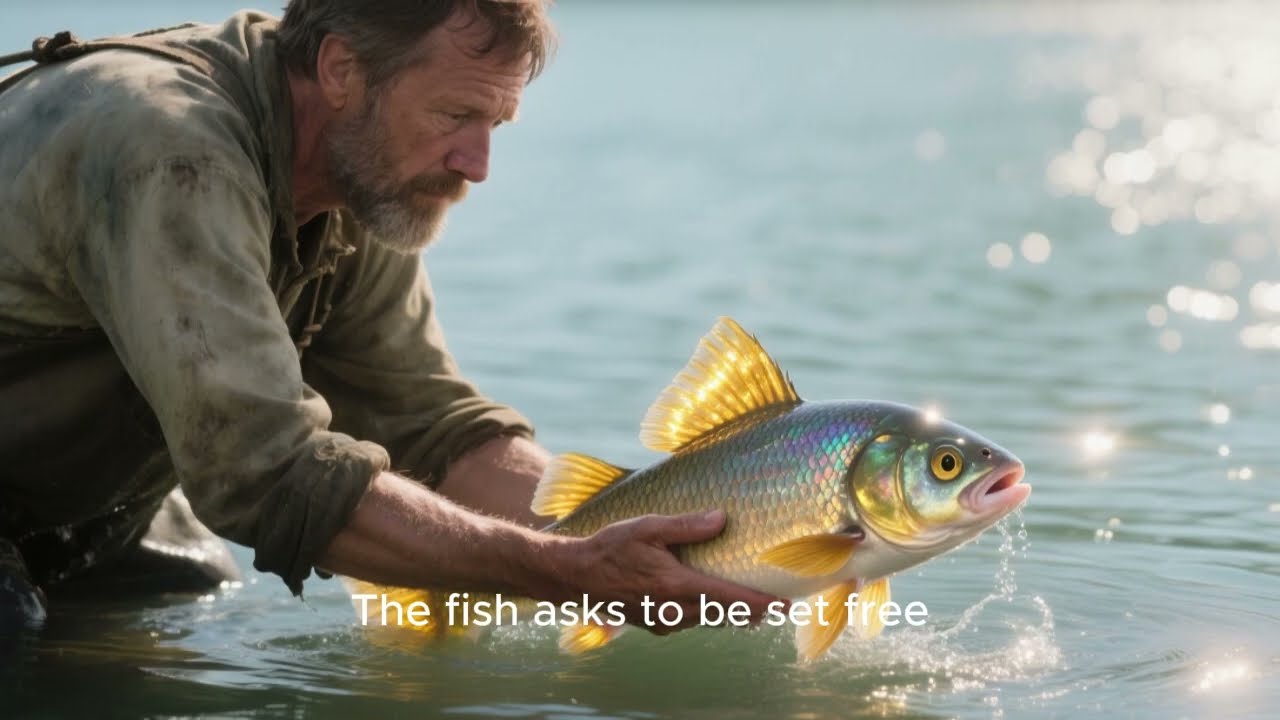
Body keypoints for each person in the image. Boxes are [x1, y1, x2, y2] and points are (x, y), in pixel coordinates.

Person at [0, 0, 778, 634]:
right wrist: (566, 573)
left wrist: (671, 538)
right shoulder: (171, 149)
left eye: (495, 124)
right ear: (341, 69)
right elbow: (266, 471)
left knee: (193, 592)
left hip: (79, 495)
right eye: (454, 115)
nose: (477, 163)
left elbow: (436, 428)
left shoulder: (358, 172)